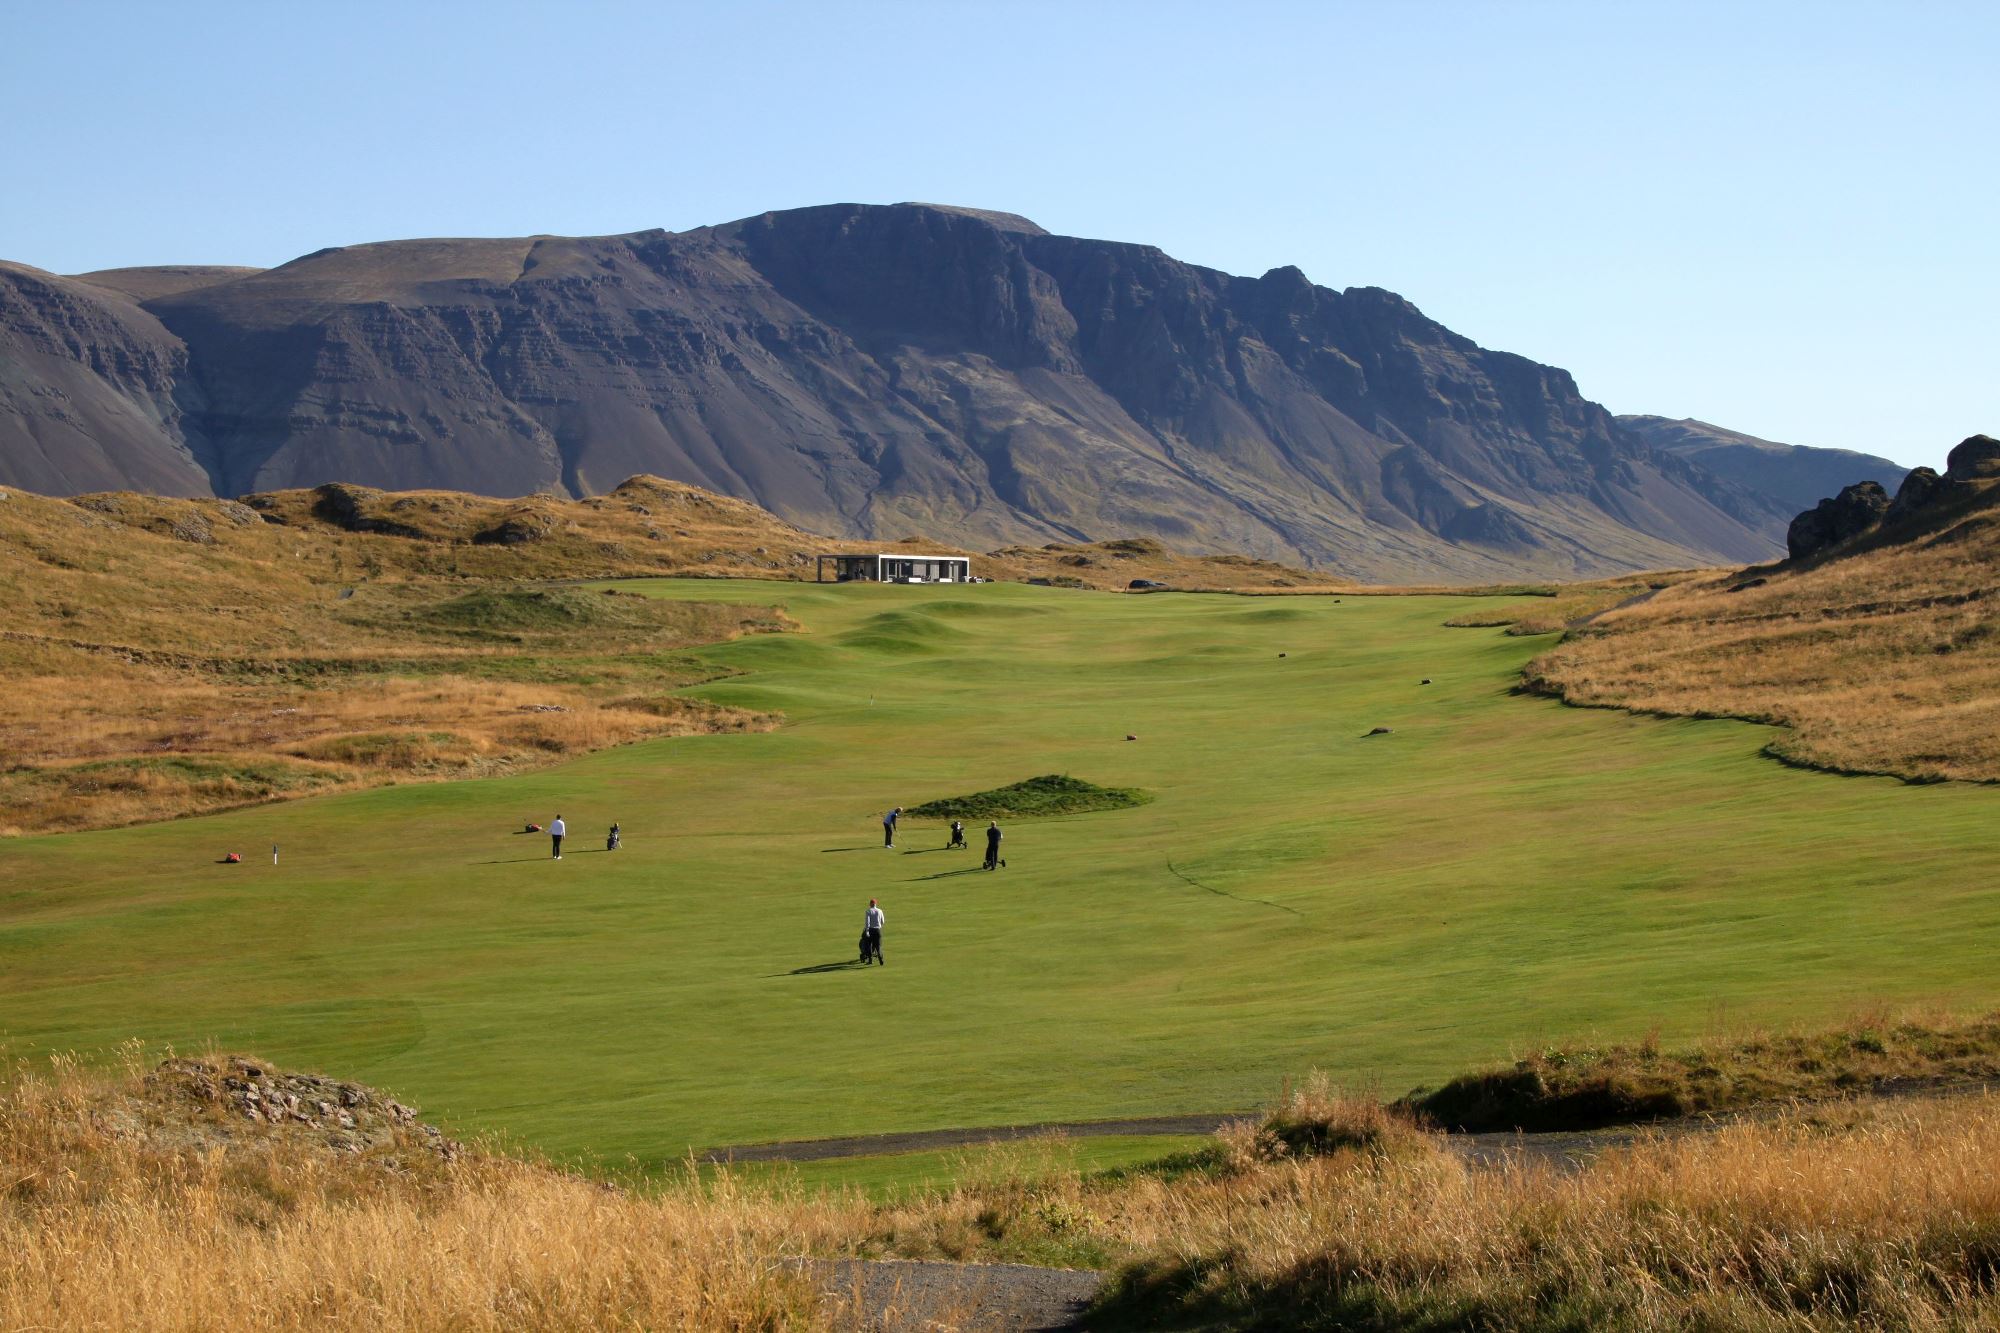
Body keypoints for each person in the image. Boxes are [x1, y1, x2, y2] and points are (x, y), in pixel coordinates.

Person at [862, 898, 885, 965]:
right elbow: (883, 921)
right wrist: (879, 926)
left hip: (871, 930)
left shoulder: (868, 911)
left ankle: (870, 960)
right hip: (878, 930)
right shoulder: (880, 911)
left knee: (868, 945)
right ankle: (880, 959)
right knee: (878, 946)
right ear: (876, 904)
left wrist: (867, 931)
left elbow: (867, 922)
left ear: (870, 904)